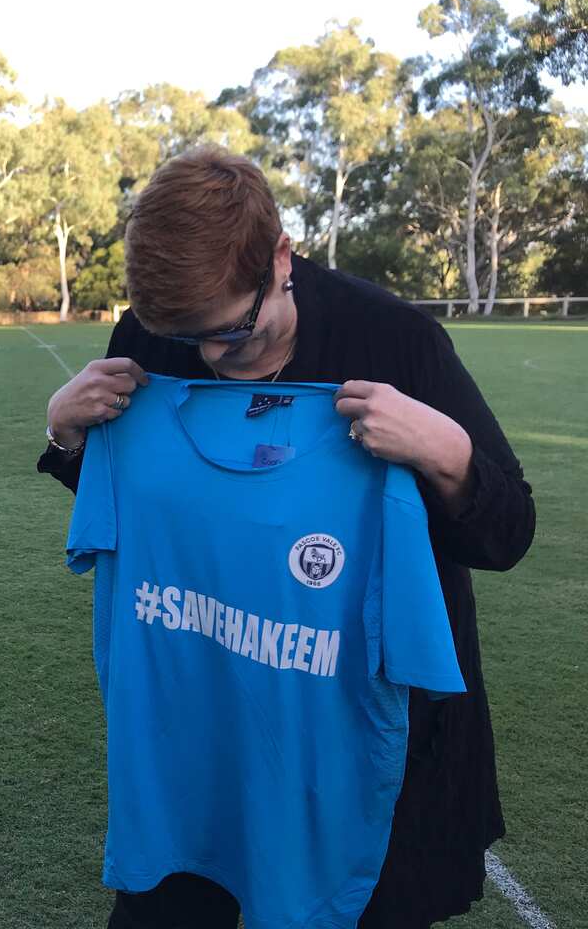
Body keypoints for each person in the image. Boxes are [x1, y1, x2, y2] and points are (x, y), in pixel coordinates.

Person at [39, 146, 535, 929]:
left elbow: (509, 531)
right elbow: (143, 501)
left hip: (369, 749)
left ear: (280, 257)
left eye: (234, 331)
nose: (210, 355)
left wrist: (445, 452)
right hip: (208, 738)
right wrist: (68, 437)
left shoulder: (398, 343)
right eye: (189, 336)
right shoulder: (150, 331)